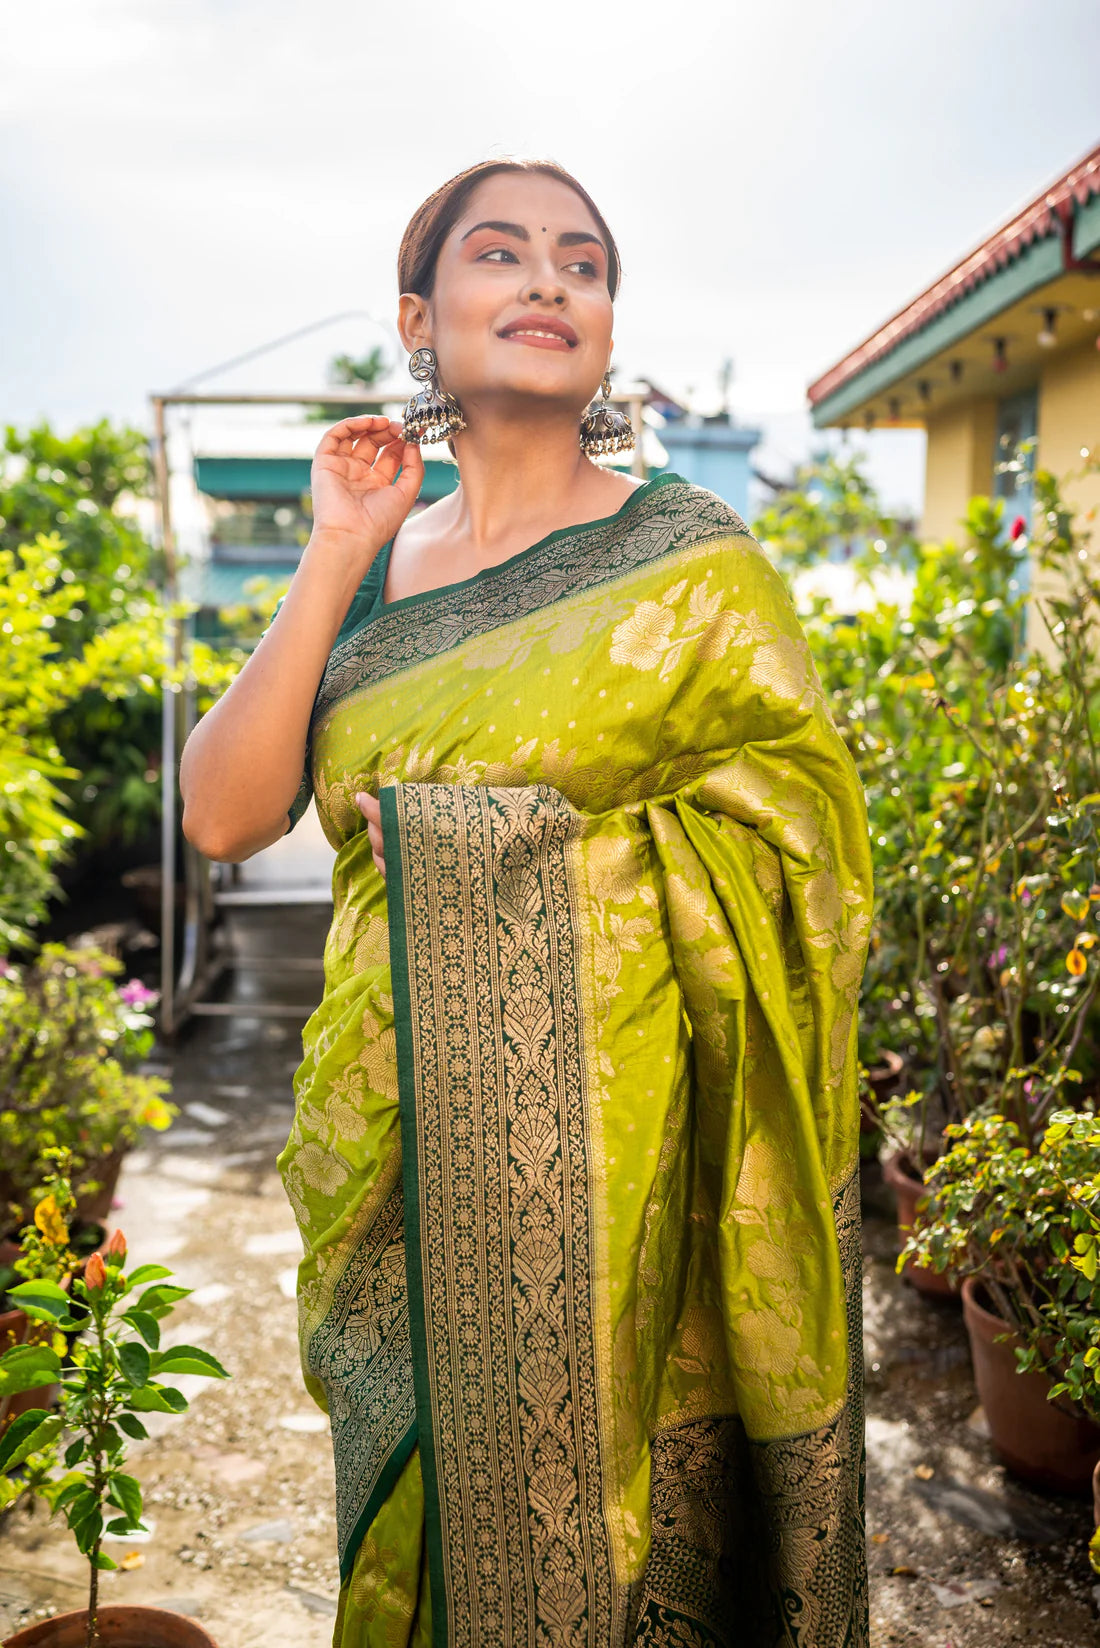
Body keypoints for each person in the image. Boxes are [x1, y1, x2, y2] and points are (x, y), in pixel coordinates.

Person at [179, 156, 875, 1648]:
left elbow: (800, 835)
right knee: (435, 1525)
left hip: (625, 1146)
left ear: (610, 328)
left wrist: (500, 849)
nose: (551, 282)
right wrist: (339, 548)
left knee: (602, 1521)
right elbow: (228, 815)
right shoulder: (372, 581)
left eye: (586, 262)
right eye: (503, 254)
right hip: (401, 1134)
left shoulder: (692, 563)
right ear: (421, 319)